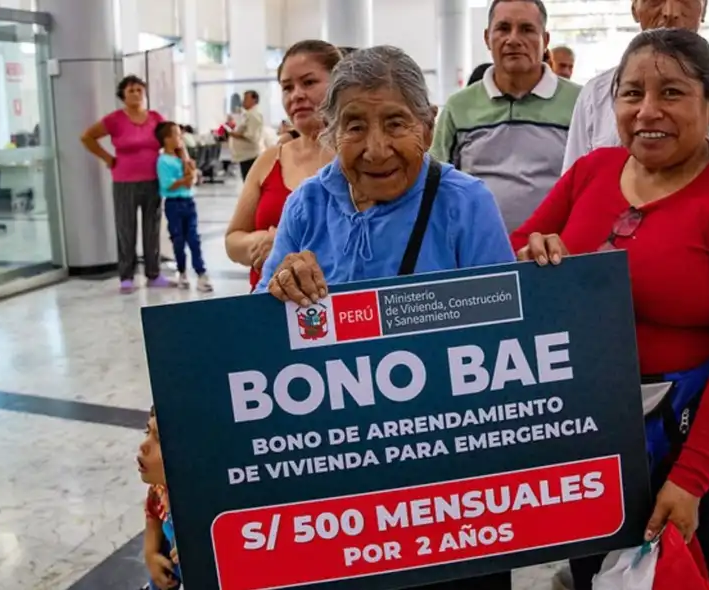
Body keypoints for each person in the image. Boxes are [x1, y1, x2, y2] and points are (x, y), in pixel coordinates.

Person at [512, 29, 709, 590]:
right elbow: (525, 239)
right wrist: (533, 252)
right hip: (595, 435)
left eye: (671, 93)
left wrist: (691, 479)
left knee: (687, 576)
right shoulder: (592, 171)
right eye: (631, 93)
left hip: (700, 443)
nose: (648, 111)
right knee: (594, 574)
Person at [255, 47, 515, 590]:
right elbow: (257, 335)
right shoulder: (307, 203)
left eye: (396, 123)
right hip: (339, 486)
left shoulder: (466, 204)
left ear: (427, 124)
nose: (376, 149)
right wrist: (280, 289)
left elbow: (507, 340)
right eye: (354, 126)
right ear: (329, 131)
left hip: (450, 489)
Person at [562, 0, 709, 189]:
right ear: (634, 9)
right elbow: (574, 188)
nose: (670, 12)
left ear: (704, 9)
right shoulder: (596, 93)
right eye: (655, 1)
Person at [430, 0, 581, 232]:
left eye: (527, 29)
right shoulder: (458, 107)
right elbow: (435, 183)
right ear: (487, 38)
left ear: (545, 40)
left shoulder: (579, 102)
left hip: (557, 253)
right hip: (477, 250)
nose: (513, 39)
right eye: (503, 28)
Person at [226, 40, 342, 291]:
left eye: (309, 83)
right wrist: (258, 243)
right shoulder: (270, 160)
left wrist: (284, 244)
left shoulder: (357, 160)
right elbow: (233, 240)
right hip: (269, 309)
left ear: (339, 84)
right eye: (287, 88)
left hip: (335, 309)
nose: (296, 94)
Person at [80, 75, 177, 294]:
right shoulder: (115, 119)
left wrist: (182, 160)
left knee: (151, 228)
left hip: (153, 180)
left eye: (139, 89)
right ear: (123, 95)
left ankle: (154, 274)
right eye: (131, 90)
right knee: (126, 228)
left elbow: (172, 139)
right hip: (124, 181)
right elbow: (87, 137)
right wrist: (107, 158)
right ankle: (126, 276)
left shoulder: (155, 118)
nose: (136, 93)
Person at [156, 121, 213, 292]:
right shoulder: (163, 161)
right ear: (166, 139)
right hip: (174, 204)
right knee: (178, 239)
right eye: (176, 135)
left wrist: (189, 168)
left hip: (189, 203)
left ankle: (201, 272)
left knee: (194, 239)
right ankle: (181, 272)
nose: (180, 138)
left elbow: (192, 180)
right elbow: (167, 185)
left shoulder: (182, 157)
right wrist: (185, 180)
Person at [138, 406, 182, 589]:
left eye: (159, 440)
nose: (143, 446)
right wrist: (150, 553)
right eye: (147, 432)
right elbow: (153, 515)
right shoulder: (159, 491)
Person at [230, 89, 265, 180]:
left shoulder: (253, 115)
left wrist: (234, 134)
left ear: (254, 100)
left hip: (249, 156)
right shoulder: (248, 114)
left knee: (250, 184)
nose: (243, 101)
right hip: (245, 156)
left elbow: (252, 136)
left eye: (246, 99)